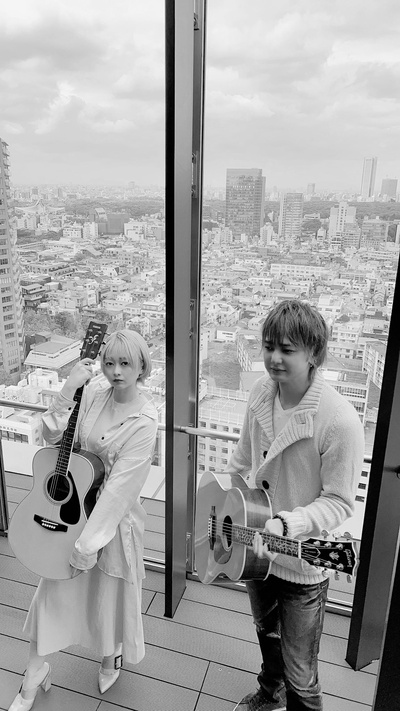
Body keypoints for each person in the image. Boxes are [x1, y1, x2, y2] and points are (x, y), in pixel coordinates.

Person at [9, 329, 158, 711]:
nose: (116, 371)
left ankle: (110, 656)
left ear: (142, 366)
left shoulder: (145, 420)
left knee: (107, 597)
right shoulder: (93, 393)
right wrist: (67, 390)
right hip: (70, 509)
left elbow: (120, 491)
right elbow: (52, 438)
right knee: (51, 597)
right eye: (109, 363)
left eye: (125, 363)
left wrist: (87, 544)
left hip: (112, 525)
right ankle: (32, 677)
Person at [228, 300, 365, 711]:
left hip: (303, 562)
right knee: (266, 633)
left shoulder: (339, 421)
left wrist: (288, 525)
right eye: (269, 346)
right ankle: (270, 693)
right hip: (255, 549)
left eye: (287, 349)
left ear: (314, 354)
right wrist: (228, 503)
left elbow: (339, 502)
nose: (274, 358)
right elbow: (242, 460)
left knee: (302, 673)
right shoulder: (260, 391)